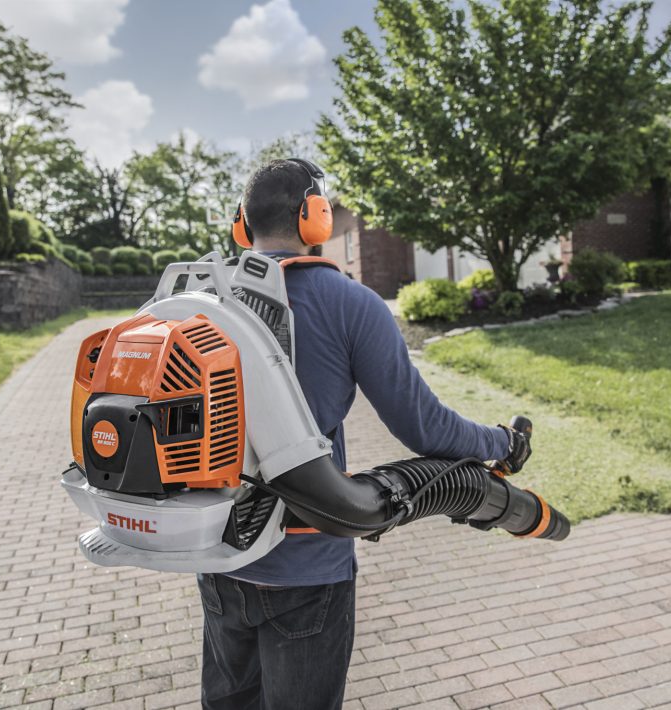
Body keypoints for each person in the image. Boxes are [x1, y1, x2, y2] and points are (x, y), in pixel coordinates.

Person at [198, 158, 531, 710]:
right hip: (308, 565)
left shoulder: (205, 301)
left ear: (242, 223)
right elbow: (424, 427)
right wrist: (503, 445)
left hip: (217, 557)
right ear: (316, 219)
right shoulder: (351, 303)